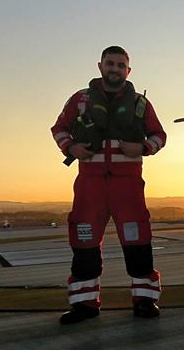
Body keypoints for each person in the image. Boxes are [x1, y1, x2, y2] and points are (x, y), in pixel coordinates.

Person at [51, 46, 167, 324]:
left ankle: (145, 301)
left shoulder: (140, 104)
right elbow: (58, 128)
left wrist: (143, 147)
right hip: (90, 184)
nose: (115, 69)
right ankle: (84, 304)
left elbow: (160, 136)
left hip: (128, 185)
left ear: (128, 70)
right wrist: (70, 147)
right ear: (100, 66)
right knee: (84, 241)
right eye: (110, 63)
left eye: (120, 65)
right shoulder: (79, 100)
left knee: (138, 240)